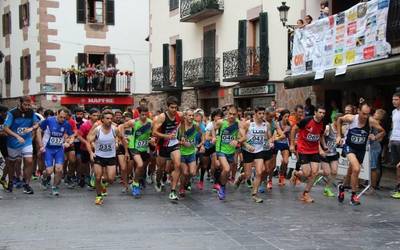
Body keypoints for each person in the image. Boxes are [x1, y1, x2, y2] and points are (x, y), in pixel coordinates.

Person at [336, 102, 385, 205]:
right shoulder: (351, 118)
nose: (365, 116)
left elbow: (383, 131)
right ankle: (354, 196)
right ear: (358, 111)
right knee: (357, 168)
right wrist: (338, 136)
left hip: (361, 149)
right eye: (363, 113)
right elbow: (339, 120)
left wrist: (375, 137)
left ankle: (342, 187)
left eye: (367, 114)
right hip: (349, 146)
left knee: (351, 171)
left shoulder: (370, 121)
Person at [87, 110, 126, 205]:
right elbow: (88, 140)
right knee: (98, 176)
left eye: (111, 119)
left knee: (111, 179)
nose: (109, 120)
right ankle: (99, 196)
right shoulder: (98, 129)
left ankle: (103, 184)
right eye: (107, 118)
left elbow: (122, 138)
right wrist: (91, 152)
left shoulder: (114, 129)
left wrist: (126, 151)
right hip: (99, 156)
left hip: (110, 157)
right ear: (102, 120)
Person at [290, 105, 327, 203]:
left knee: (314, 173)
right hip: (303, 149)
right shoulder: (306, 120)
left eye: (323, 113)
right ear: (315, 112)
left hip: (314, 150)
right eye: (320, 112)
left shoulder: (323, 123)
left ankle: (305, 193)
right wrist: (292, 144)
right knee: (307, 173)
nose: (322, 115)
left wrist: (324, 146)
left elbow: (321, 135)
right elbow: (294, 129)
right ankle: (296, 173)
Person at [3, 96, 40, 194]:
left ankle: (26, 184)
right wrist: (17, 136)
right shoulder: (12, 113)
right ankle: (10, 182)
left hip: (26, 141)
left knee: (29, 161)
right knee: (12, 163)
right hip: (13, 142)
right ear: (20, 103)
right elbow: (6, 128)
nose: (27, 107)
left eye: (29, 105)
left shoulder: (31, 112)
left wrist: (31, 129)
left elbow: (37, 124)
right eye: (25, 105)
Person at [236, 106, 271, 203]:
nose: (261, 115)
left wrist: (270, 142)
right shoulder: (248, 124)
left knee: (260, 172)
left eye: (263, 113)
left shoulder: (266, 124)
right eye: (259, 113)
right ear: (255, 114)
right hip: (248, 151)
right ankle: (241, 177)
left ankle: (254, 194)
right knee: (248, 175)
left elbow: (268, 137)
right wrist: (247, 145)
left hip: (259, 150)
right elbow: (241, 137)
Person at [37, 108, 74, 196]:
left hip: (59, 149)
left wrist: (69, 142)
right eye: (61, 117)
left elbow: (71, 136)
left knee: (59, 169)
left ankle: (55, 187)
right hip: (48, 149)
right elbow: (38, 130)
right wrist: (41, 145)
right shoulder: (49, 120)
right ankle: (44, 177)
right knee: (49, 171)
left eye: (64, 118)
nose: (62, 119)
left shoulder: (66, 124)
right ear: (57, 114)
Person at [153, 96, 183, 201]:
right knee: (160, 168)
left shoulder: (180, 115)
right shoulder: (161, 117)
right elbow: (154, 132)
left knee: (178, 165)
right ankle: (158, 180)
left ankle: (173, 191)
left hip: (174, 144)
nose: (174, 110)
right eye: (172, 107)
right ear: (167, 107)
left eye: (176, 107)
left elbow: (183, 125)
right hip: (162, 145)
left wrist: (182, 136)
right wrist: (166, 136)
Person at [121, 106, 153, 197]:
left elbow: (153, 133)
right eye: (142, 114)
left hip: (145, 147)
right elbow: (121, 127)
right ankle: (135, 184)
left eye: (146, 115)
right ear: (138, 114)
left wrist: (152, 139)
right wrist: (125, 137)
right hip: (134, 147)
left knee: (143, 167)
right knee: (140, 164)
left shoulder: (151, 123)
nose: (144, 116)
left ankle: (139, 179)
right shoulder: (133, 122)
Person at [214, 105, 240, 200]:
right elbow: (212, 129)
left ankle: (222, 185)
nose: (232, 116)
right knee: (227, 169)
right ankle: (221, 186)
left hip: (231, 151)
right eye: (230, 114)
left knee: (226, 172)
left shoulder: (238, 124)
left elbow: (244, 136)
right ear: (227, 114)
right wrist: (214, 137)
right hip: (220, 150)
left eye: (234, 114)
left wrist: (238, 141)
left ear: (237, 114)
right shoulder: (221, 122)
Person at [178, 108, 204, 197]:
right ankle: (181, 188)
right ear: (185, 116)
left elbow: (203, 135)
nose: (191, 117)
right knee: (185, 172)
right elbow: (174, 140)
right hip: (181, 153)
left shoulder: (196, 125)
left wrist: (200, 145)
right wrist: (182, 143)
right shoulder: (180, 126)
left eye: (193, 115)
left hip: (192, 153)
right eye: (189, 115)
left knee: (192, 172)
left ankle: (186, 182)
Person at [320, 113, 342, 197]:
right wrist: (324, 147)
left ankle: (327, 188)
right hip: (325, 153)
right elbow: (321, 137)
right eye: (339, 122)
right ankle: (311, 172)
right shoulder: (328, 127)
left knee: (334, 172)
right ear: (335, 120)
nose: (341, 124)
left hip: (334, 153)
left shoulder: (340, 129)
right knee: (326, 172)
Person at [77, 108, 100, 189]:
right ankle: (83, 177)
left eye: (97, 115)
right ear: (90, 116)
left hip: (96, 149)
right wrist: (87, 142)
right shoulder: (85, 125)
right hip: (84, 148)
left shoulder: (100, 124)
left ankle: (92, 180)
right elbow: (79, 136)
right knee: (84, 165)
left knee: (94, 164)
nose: (96, 117)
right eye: (94, 115)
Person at [369, 109, 386, 193]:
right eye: (375, 112)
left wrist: (375, 137)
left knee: (373, 167)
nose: (374, 114)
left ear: (381, 116)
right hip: (370, 147)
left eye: (376, 113)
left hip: (375, 147)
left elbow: (382, 137)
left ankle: (373, 186)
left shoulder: (378, 124)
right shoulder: (372, 121)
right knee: (371, 166)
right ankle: (370, 184)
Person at [274, 109, 291, 186]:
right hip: (276, 143)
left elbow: (290, 137)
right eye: (285, 116)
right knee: (272, 164)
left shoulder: (289, 125)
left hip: (284, 144)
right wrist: (284, 132)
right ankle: (269, 179)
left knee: (285, 161)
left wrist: (291, 145)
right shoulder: (277, 123)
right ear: (282, 116)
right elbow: (282, 135)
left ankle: (281, 175)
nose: (287, 118)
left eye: (288, 116)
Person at [390, 92, 400, 199]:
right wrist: (390, 139)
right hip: (394, 140)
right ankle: (398, 187)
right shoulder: (393, 112)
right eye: (393, 99)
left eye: (396, 99)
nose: (394, 101)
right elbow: (393, 126)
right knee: (397, 166)